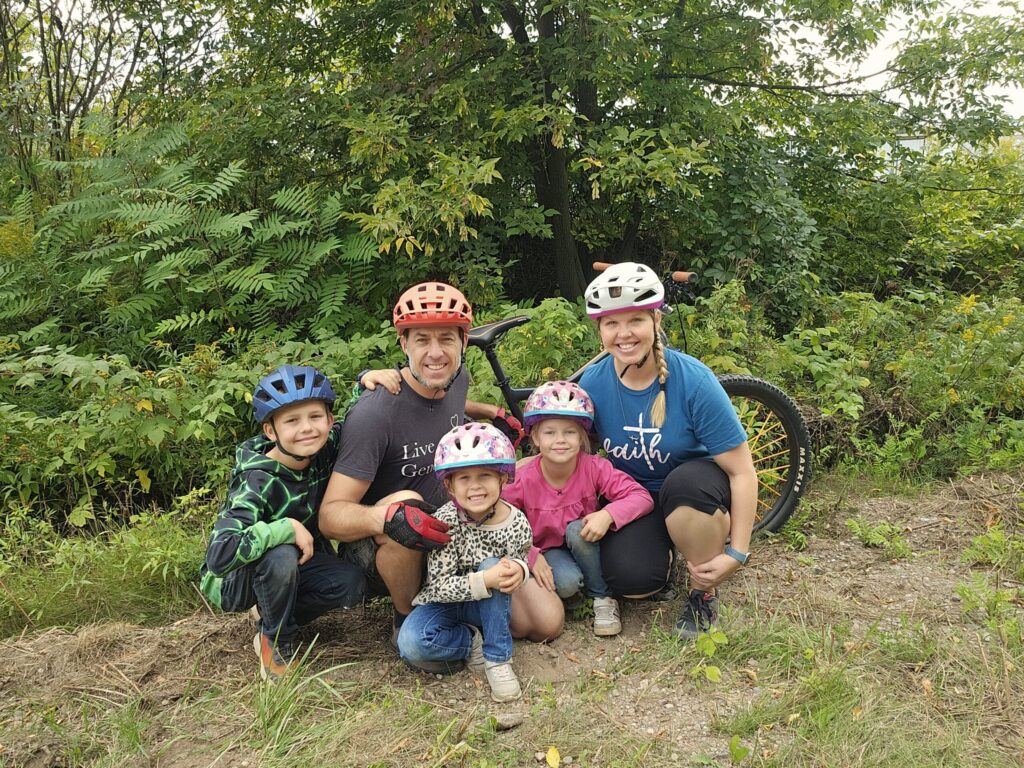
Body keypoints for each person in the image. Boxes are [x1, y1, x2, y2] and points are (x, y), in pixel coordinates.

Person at [319, 282, 563, 667]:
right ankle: (406, 618)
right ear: (404, 345)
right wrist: (387, 518)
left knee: (546, 623)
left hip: (457, 531)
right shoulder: (375, 413)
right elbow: (331, 515)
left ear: (464, 342)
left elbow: (446, 403)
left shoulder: (454, 377)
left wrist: (489, 412)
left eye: (447, 339)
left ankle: (469, 609)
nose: (435, 353)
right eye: (422, 340)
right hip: (393, 547)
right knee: (406, 507)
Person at [577, 262, 757, 639]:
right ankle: (667, 550)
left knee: (686, 485)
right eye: (611, 324)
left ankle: (702, 591)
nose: (624, 334)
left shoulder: (693, 380)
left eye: (635, 321)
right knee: (633, 582)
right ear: (600, 330)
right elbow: (580, 456)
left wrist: (738, 552)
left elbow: (742, 472)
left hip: (694, 488)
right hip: (636, 498)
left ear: (656, 320)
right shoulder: (593, 382)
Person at [200, 365, 366, 682]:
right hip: (236, 580)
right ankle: (275, 640)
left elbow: (359, 423)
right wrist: (284, 528)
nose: (306, 428)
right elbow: (219, 556)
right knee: (281, 551)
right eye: (291, 420)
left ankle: (272, 614)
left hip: (299, 563)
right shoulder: (256, 479)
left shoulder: (323, 448)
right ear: (270, 432)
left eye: (315, 417)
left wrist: (366, 382)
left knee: (351, 582)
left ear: (329, 421)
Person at [503, 381, 653, 637]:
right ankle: (574, 590)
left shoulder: (594, 467)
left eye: (570, 432)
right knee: (566, 583)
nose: (560, 440)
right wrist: (530, 553)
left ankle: (602, 597)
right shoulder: (523, 479)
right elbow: (500, 521)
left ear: (582, 437)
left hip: (589, 541)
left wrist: (607, 514)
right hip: (548, 550)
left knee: (577, 530)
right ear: (535, 438)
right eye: (549, 433)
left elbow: (641, 497)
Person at [397, 423, 531, 702]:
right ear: (449, 485)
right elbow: (439, 587)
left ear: (503, 480)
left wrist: (519, 570)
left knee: (495, 565)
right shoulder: (445, 522)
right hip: (448, 604)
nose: (475, 486)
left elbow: (521, 555)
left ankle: (498, 658)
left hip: (492, 602)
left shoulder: (515, 520)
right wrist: (485, 581)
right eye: (464, 478)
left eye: (485, 475)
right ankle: (470, 641)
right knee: (411, 642)